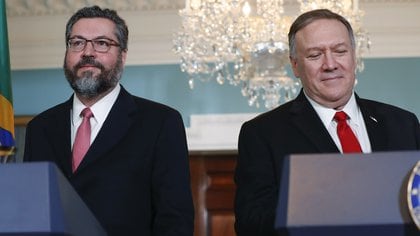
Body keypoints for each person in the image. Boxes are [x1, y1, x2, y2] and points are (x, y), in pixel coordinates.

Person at [234, 8, 420, 236]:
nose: (330, 64)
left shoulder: (403, 123)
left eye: (340, 51)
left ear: (354, 56)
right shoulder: (262, 133)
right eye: (315, 55)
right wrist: (319, 204)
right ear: (294, 65)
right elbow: (250, 224)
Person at [23, 5, 194, 236]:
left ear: (122, 56)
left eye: (102, 43)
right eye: (77, 43)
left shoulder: (160, 123)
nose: (87, 52)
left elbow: (175, 220)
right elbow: (32, 214)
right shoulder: (39, 128)